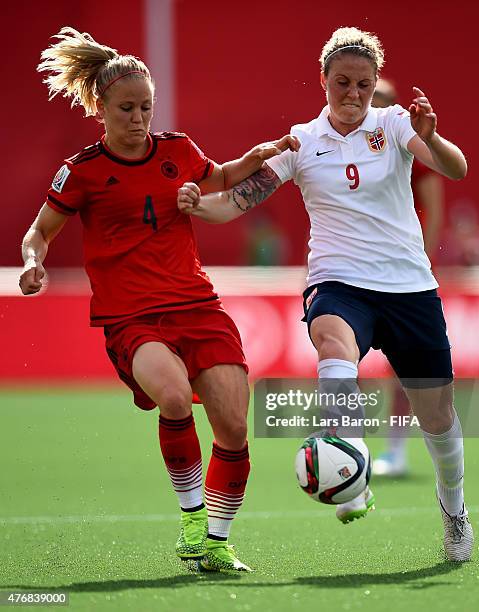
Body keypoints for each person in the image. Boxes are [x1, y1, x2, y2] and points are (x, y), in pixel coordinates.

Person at [177, 26, 474, 562]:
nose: (353, 94)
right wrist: (197, 203)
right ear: (323, 81)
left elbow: (456, 168)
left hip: (408, 286)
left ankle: (453, 510)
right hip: (337, 281)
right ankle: (350, 462)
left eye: (363, 83)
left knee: (438, 418)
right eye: (342, 82)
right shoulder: (301, 141)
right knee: (334, 349)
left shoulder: (396, 122)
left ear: (375, 83)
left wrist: (431, 137)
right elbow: (237, 201)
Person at [19, 26, 299, 573]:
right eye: (126, 108)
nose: (138, 117)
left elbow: (217, 178)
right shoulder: (83, 171)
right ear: (100, 107)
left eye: (145, 107)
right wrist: (34, 263)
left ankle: (216, 542)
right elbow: (40, 231)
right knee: (173, 398)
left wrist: (256, 156)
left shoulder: (177, 149)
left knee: (236, 428)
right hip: (131, 318)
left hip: (197, 306)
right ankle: (193, 523)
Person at [371, 78, 445, 477]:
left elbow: (434, 207)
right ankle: (348, 445)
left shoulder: (405, 143)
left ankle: (395, 449)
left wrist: (425, 263)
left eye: (380, 99)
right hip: (359, 267)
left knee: (403, 373)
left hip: (402, 269)